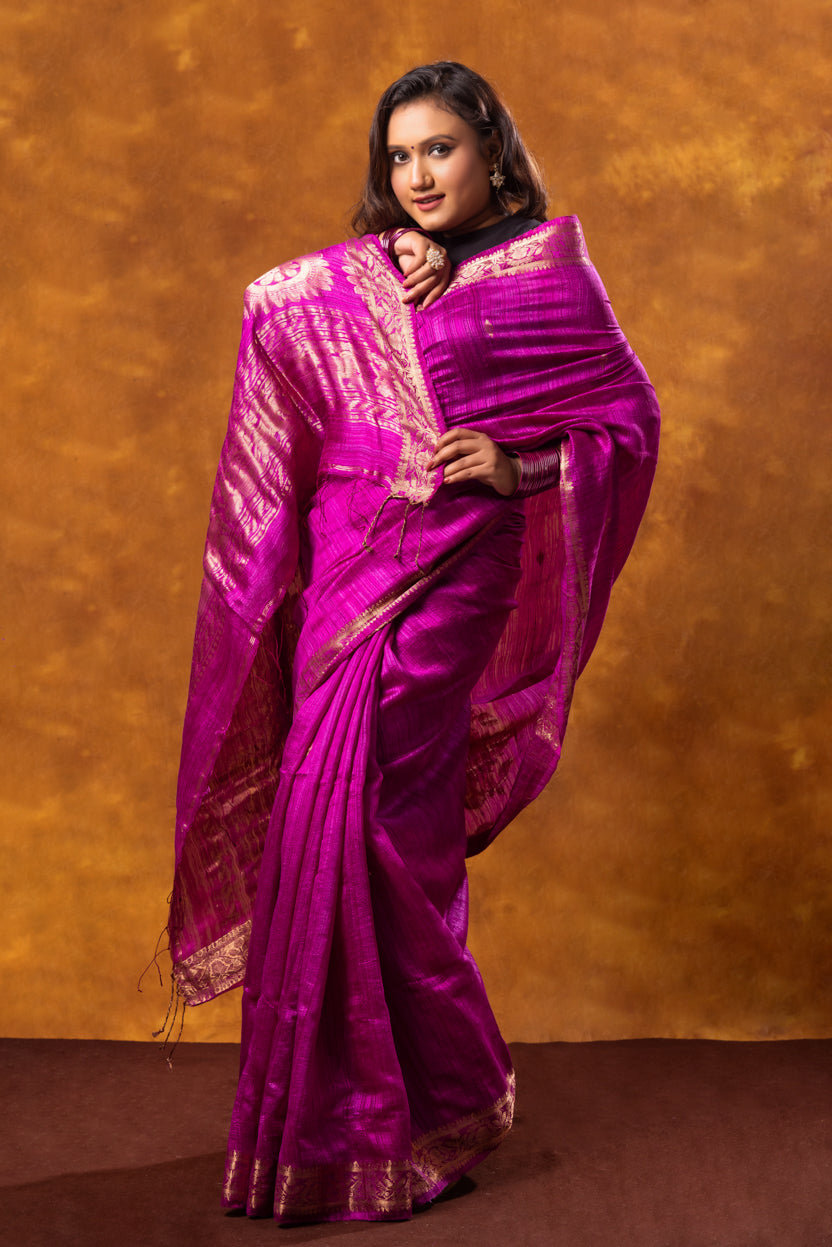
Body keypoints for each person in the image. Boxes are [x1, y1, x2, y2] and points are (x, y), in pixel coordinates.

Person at [165, 61, 660, 1225]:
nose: (418, 175)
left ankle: (436, 1096)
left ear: (491, 150)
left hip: (452, 573)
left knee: (377, 813)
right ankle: (335, 1133)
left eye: (439, 149)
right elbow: (270, 302)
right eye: (398, 157)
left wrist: (524, 463)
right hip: (347, 563)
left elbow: (629, 420)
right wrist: (383, 275)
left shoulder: (549, 273)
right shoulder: (379, 269)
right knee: (316, 819)